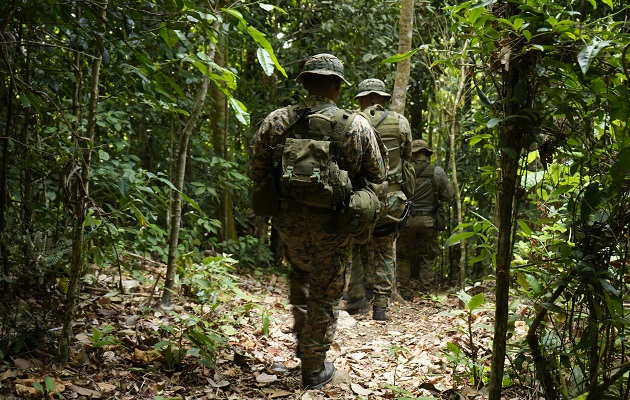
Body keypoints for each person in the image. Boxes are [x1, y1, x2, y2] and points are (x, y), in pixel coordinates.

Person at [248, 54, 386, 390]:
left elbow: (256, 170)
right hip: (333, 224)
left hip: (289, 223)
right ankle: (313, 365)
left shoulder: (277, 121)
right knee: (325, 292)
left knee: (300, 277)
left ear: (305, 83)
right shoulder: (355, 125)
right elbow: (378, 176)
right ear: (338, 86)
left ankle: (305, 342)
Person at [344, 78, 412, 321]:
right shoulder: (400, 122)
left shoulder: (352, 121)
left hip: (361, 198)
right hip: (392, 198)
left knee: (353, 245)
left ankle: (355, 296)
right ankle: (380, 307)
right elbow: (407, 155)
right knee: (384, 250)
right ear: (383, 99)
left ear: (362, 99)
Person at [396, 139, 453, 299]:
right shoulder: (438, 172)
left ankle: (405, 292)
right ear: (426, 153)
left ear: (412, 154)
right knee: (427, 257)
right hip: (428, 222)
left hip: (406, 220)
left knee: (403, 256)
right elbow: (448, 197)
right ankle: (425, 292)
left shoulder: (403, 171)